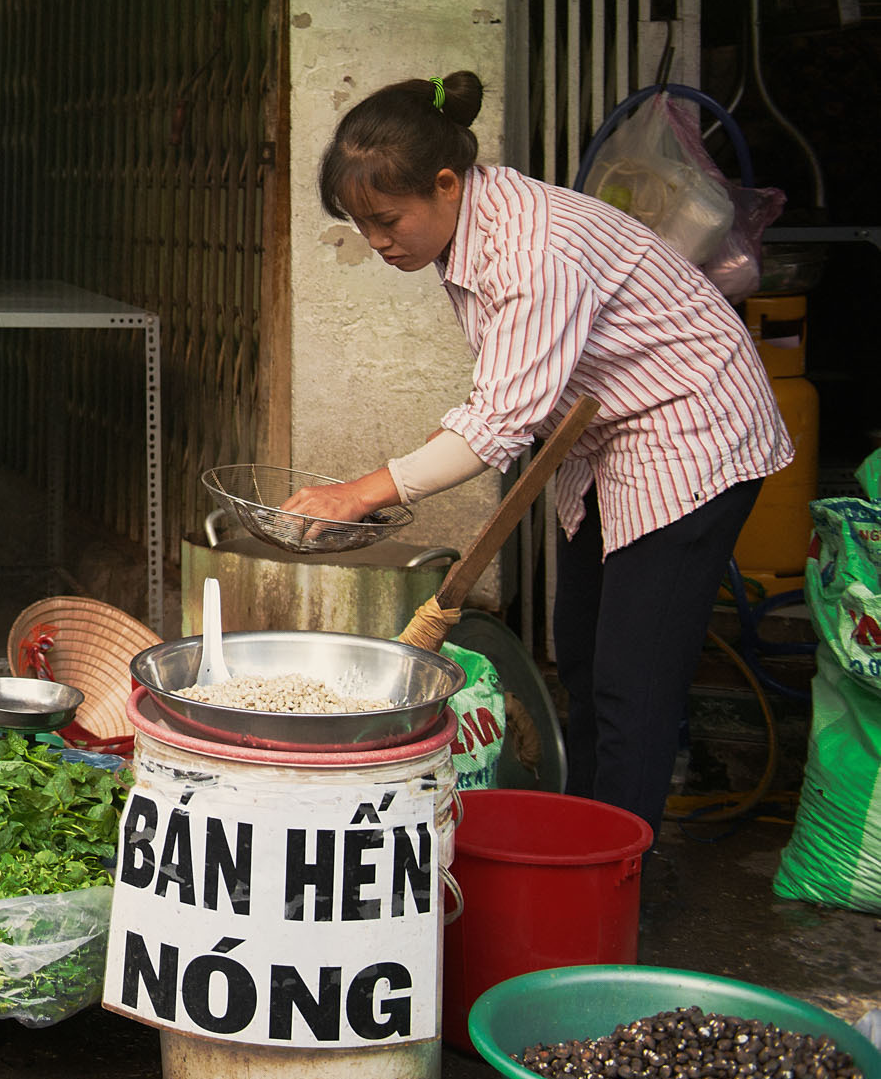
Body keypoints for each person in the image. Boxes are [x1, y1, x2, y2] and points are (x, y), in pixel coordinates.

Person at [282, 70, 792, 833]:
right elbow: (510, 390)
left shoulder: (532, 249)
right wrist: (453, 440)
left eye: (387, 221)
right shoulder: (473, 226)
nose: (379, 243)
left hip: (692, 429)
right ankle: (583, 838)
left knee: (633, 683)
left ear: (447, 183)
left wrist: (359, 492)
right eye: (364, 228)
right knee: (583, 658)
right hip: (605, 438)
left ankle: (618, 881)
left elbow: (496, 427)